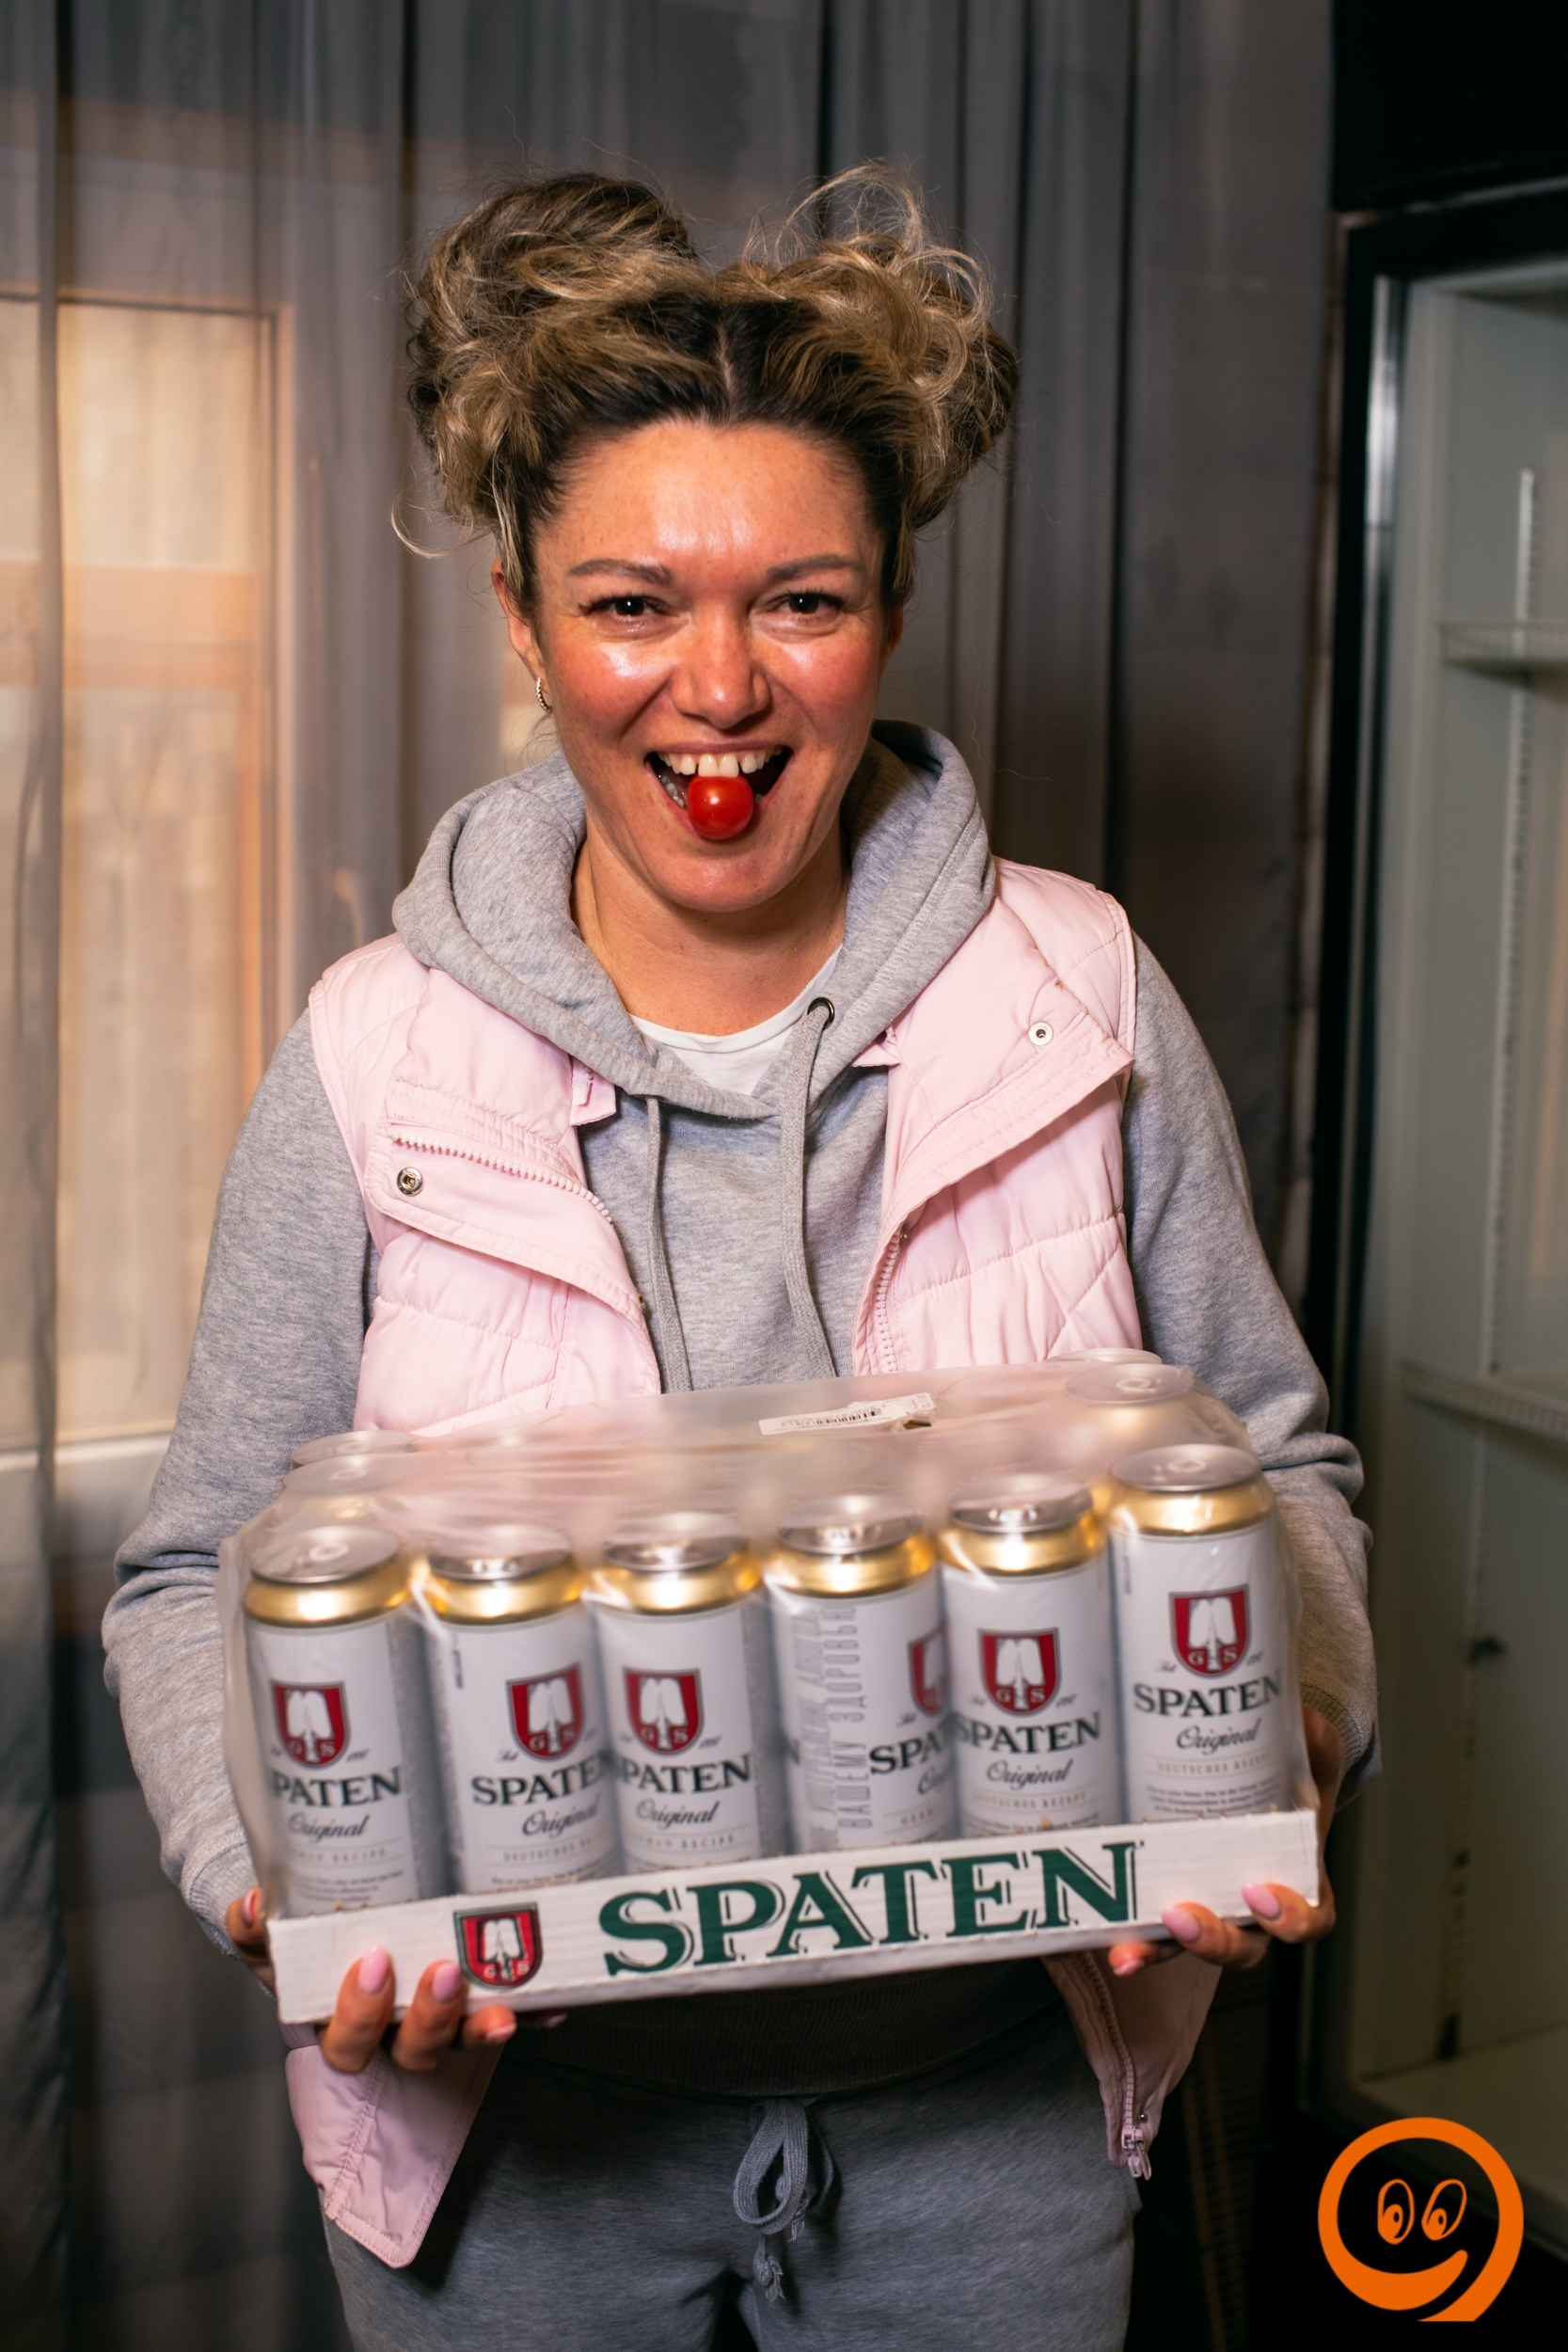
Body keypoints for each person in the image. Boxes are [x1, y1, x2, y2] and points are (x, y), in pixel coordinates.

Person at [105, 169, 1376, 2351]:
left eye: (801, 600)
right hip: (517, 2142)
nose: (718, 685)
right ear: (522, 623)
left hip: (993, 2116)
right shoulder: (372, 1058)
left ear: (888, 611)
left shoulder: (1079, 993)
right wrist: (272, 1884)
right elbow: (190, 1565)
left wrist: (1287, 1741)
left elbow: (1278, 1465)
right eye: (630, 602)